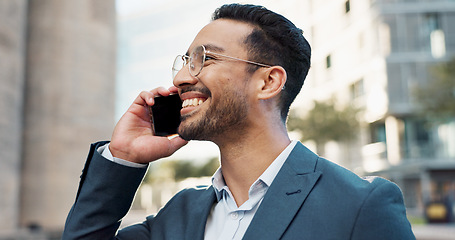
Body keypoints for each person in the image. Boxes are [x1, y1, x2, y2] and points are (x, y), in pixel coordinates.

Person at [62, 3, 415, 240]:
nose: (183, 76)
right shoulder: (179, 215)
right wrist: (122, 156)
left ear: (268, 82)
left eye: (205, 59)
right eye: (185, 60)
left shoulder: (360, 205)